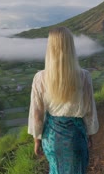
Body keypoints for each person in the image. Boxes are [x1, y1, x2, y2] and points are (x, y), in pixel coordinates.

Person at [28, 27, 99, 174]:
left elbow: (37, 114)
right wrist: (90, 135)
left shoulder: (40, 78)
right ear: (71, 47)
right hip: (76, 137)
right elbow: (89, 110)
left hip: (51, 139)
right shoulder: (84, 77)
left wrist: (37, 140)